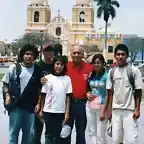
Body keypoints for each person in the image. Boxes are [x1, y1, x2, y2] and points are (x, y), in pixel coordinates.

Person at [102, 44, 142, 144]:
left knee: (130, 140)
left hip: (129, 111)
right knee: (116, 140)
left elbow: (138, 91)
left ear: (127, 56)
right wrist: (110, 111)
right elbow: (110, 93)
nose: (120, 56)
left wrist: (137, 109)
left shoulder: (134, 71)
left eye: (123, 54)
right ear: (115, 56)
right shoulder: (112, 72)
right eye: (118, 54)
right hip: (116, 111)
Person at [2, 44, 42, 144]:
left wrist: (39, 103)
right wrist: (7, 96)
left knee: (28, 134)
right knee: (13, 133)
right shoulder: (14, 68)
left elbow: (40, 88)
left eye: (31, 54)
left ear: (34, 57)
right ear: (22, 55)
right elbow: (5, 83)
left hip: (30, 108)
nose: (28, 56)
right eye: (26, 54)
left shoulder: (37, 70)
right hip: (16, 106)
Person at [41, 55, 72, 144]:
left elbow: (68, 97)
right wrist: (41, 110)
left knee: (58, 135)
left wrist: (67, 113)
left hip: (61, 112)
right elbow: (43, 95)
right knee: (49, 134)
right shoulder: (48, 78)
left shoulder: (67, 79)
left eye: (62, 65)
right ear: (54, 65)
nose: (59, 66)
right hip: (48, 111)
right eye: (57, 64)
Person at [67, 44, 93, 144]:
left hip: (82, 104)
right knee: (66, 131)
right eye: (74, 53)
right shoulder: (66, 67)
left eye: (79, 53)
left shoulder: (89, 68)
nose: (77, 55)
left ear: (83, 54)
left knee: (81, 132)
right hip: (68, 104)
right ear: (71, 54)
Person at [34, 43, 56, 144]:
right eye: (47, 51)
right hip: (39, 100)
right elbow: (33, 81)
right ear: (43, 52)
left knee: (50, 131)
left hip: (52, 101)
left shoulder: (56, 65)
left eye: (51, 51)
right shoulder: (37, 66)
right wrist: (39, 81)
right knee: (36, 131)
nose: (49, 53)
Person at [86, 54, 108, 144]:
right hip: (90, 106)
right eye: (94, 63)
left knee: (100, 134)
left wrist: (104, 111)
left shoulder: (107, 76)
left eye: (98, 63)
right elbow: (87, 89)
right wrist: (87, 93)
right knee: (92, 132)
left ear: (103, 64)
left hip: (101, 107)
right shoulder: (91, 75)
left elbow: (108, 94)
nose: (96, 65)